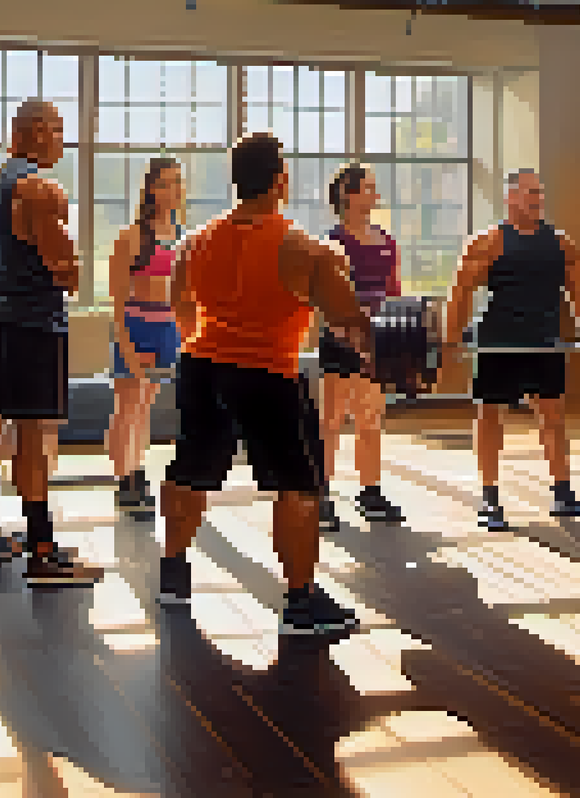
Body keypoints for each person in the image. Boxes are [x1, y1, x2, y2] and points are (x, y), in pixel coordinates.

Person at [158, 131, 372, 636]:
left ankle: (173, 571)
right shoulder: (305, 249)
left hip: (202, 367)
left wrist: (207, 342)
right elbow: (349, 321)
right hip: (266, 374)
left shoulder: (196, 241)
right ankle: (300, 600)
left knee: (189, 468)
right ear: (282, 180)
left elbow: (180, 304)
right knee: (297, 484)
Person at [0, 99, 104, 584]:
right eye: (58, 131)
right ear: (35, 132)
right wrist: (73, 265)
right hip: (34, 322)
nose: (63, 141)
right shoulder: (40, 189)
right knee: (36, 433)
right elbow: (68, 272)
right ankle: (43, 550)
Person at [441, 169, 580, 531]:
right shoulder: (488, 242)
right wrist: (452, 338)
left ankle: (562, 492)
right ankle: (490, 497)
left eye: (540, 193)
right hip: (498, 341)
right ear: (510, 197)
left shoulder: (560, 243)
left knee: (553, 417)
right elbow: (461, 291)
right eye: (529, 193)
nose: (537, 199)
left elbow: (578, 291)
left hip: (543, 342)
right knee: (490, 415)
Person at [317, 164, 406, 531]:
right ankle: (321, 495)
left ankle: (369, 492)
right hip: (340, 342)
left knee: (370, 419)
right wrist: (347, 333)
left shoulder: (386, 242)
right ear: (348, 195)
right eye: (369, 188)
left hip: (377, 344)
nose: (376, 195)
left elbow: (394, 294)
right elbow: (325, 298)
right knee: (331, 421)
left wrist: (390, 339)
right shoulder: (331, 243)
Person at [108, 158, 186, 518]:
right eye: (166, 183)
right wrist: (125, 345)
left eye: (177, 183)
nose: (173, 190)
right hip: (135, 325)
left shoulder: (184, 238)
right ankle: (125, 479)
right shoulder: (132, 237)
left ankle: (137, 473)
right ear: (151, 189)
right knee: (127, 408)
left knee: (145, 409)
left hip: (166, 328)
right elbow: (118, 300)